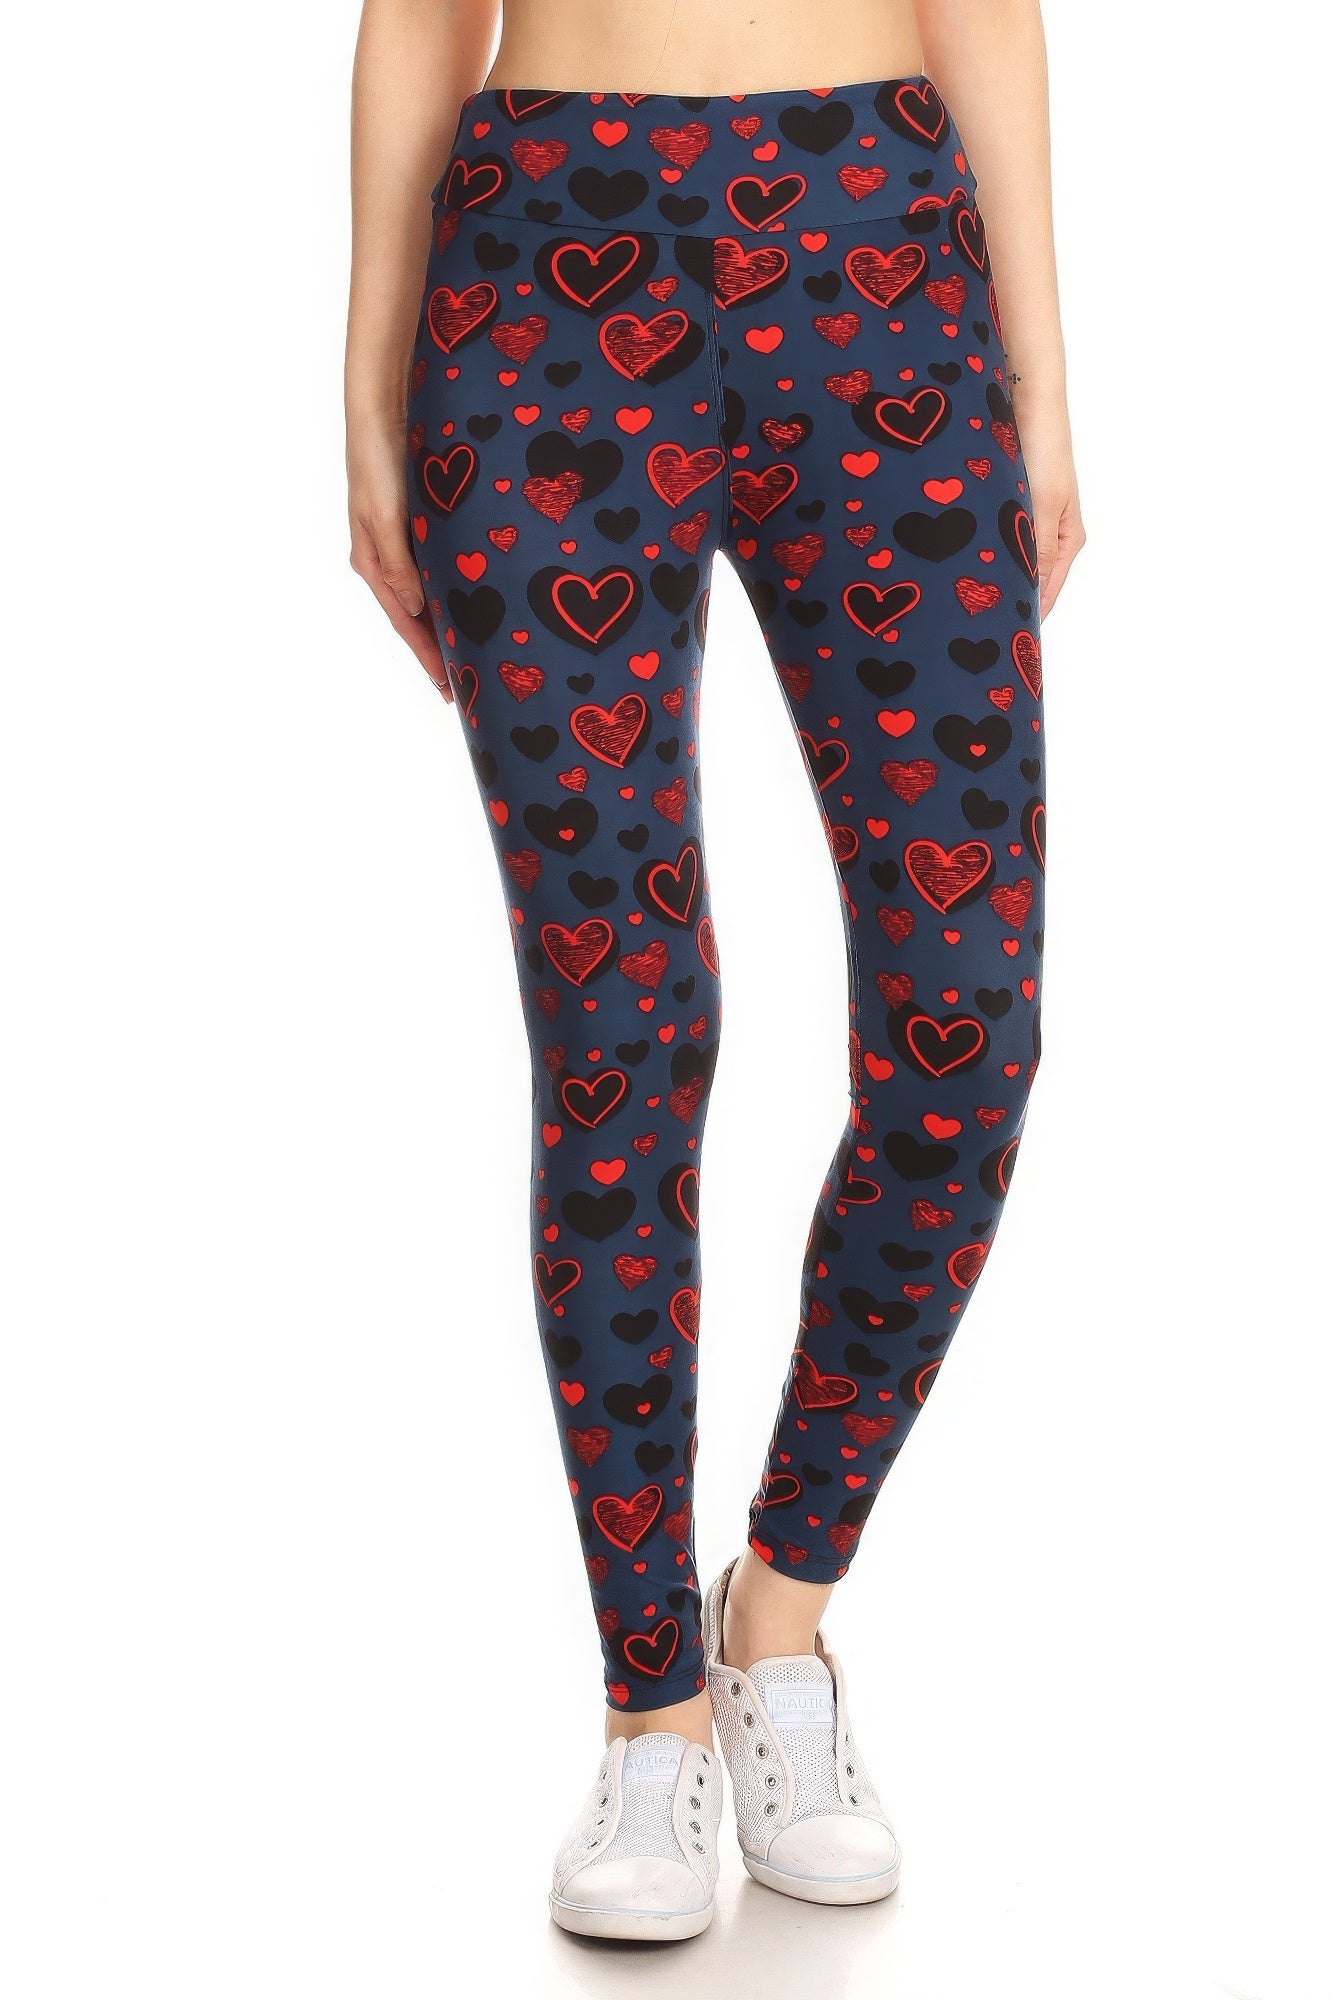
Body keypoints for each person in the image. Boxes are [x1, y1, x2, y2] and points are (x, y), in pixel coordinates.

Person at [345, 0, 1083, 1942]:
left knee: (964, 1027)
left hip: (881, 256)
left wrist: (1039, 369)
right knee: (618, 1041)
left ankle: (777, 1619)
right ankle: (649, 1707)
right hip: (540, 282)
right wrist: (366, 365)